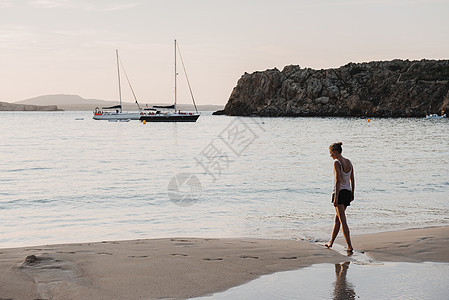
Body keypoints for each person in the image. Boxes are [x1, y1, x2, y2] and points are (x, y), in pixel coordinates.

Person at [325, 142, 355, 252]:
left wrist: (336, 197)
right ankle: (331, 242)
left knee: (342, 220)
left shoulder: (337, 163)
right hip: (347, 192)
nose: (330, 155)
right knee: (337, 220)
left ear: (336, 152)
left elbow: (337, 181)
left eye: (331, 153)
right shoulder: (349, 162)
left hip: (340, 193)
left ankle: (349, 245)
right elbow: (352, 179)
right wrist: (352, 193)